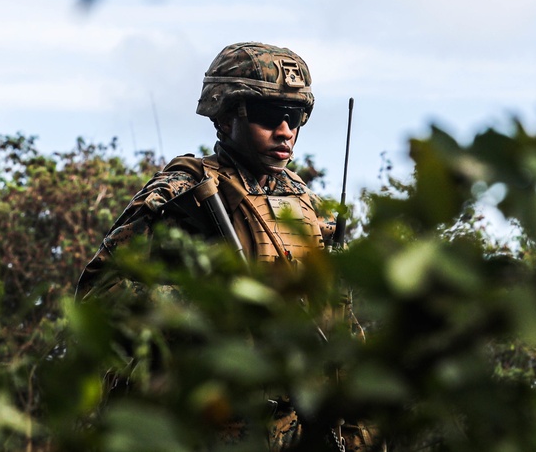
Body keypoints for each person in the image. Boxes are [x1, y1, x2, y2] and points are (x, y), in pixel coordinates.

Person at [77, 42, 376, 451]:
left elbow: (340, 324)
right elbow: (99, 296)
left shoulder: (307, 206)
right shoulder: (183, 195)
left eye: (295, 117)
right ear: (225, 115)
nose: (285, 131)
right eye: (269, 115)